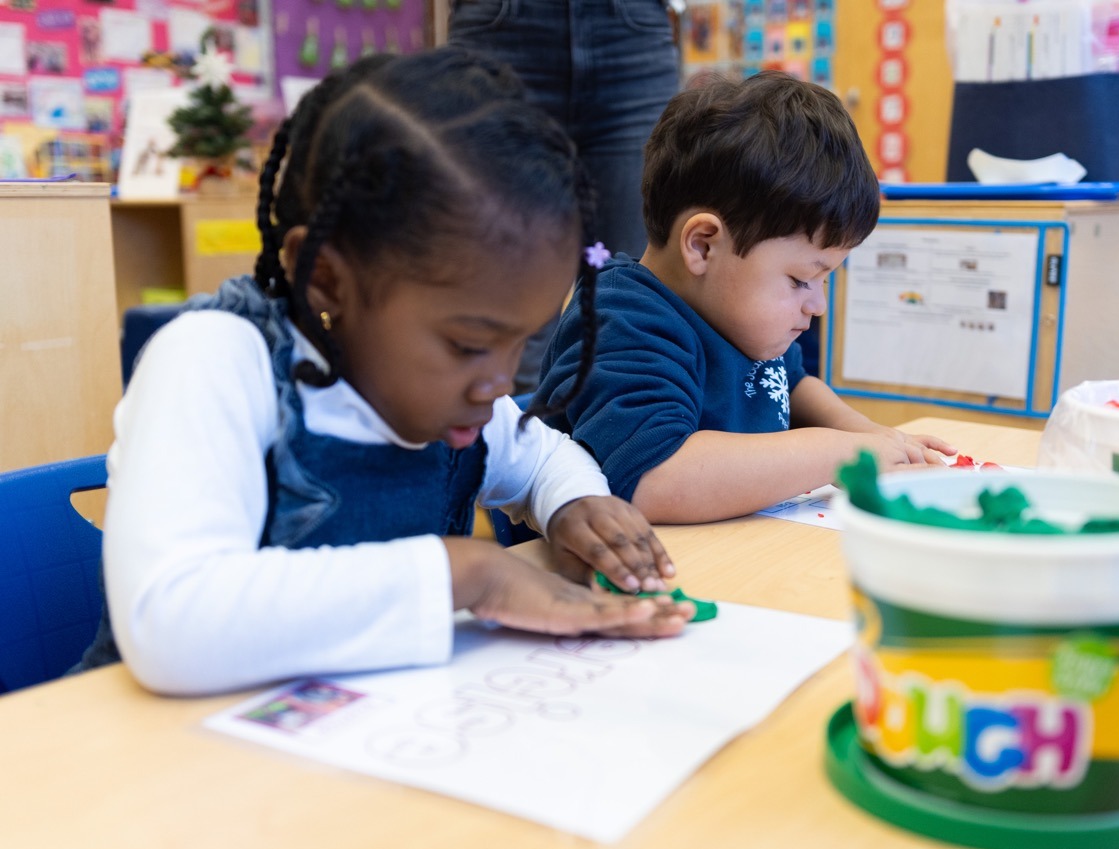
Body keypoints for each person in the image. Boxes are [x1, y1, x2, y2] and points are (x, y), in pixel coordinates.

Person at [78, 48, 693, 696]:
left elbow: (542, 457)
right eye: (468, 344)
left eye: (519, 344)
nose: (499, 382)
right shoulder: (216, 360)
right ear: (324, 278)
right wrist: (468, 575)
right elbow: (170, 622)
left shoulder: (452, 401)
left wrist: (574, 505)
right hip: (150, 747)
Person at [533, 72, 957, 524]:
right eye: (801, 279)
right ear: (703, 246)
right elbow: (655, 480)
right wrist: (840, 452)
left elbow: (791, 384)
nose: (817, 305)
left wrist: (871, 436)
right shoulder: (622, 320)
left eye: (824, 280)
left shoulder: (735, 314)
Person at [448, 0, 681, 394]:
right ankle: (511, 431)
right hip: (500, 32)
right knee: (504, 318)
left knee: (629, 308)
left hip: (630, 40)